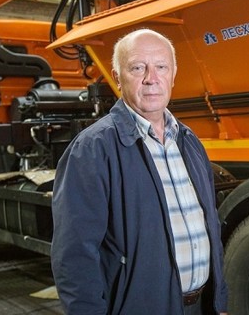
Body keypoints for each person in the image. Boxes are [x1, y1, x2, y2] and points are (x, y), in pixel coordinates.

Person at [51, 28, 228, 315]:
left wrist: (219, 301)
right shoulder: (93, 149)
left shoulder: (189, 141)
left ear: (173, 75)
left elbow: (211, 227)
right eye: (137, 68)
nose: (151, 78)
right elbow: (74, 255)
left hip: (201, 306)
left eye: (161, 67)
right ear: (117, 77)